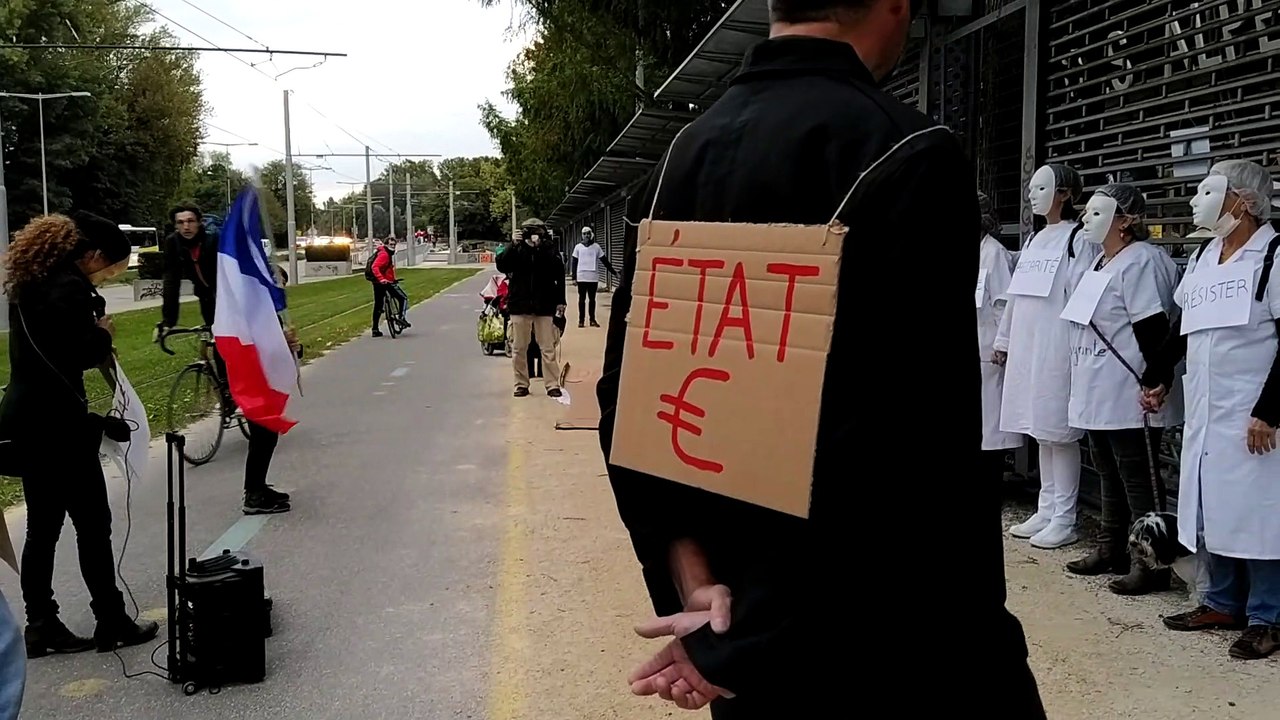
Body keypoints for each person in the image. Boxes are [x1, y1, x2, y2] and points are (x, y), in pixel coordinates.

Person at [596, 1, 1046, 716]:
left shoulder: (680, 159)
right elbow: (906, 438)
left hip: (737, 617)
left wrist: (696, 580)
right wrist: (756, 636)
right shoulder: (909, 153)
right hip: (896, 642)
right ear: (895, 6)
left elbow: (631, 400)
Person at [0, 212, 160, 656]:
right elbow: (79, 352)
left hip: (25, 418)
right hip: (58, 426)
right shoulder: (69, 289)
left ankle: (41, 623)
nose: (105, 277)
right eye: (107, 269)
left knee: (42, 528)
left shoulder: (30, 282)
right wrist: (103, 334)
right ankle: (111, 619)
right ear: (90, 254)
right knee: (93, 525)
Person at [1143, 160, 1280, 660]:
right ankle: (1222, 601)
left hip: (1255, 417)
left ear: (1242, 202)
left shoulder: (1275, 256)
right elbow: (1184, 326)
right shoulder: (1204, 256)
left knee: (1260, 515)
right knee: (1212, 509)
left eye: (1209, 191)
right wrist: (1157, 376)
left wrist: (1270, 410)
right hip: (1207, 412)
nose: (1196, 202)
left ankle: (1267, 616)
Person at [1061, 184, 1179, 595]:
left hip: (1129, 389)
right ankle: (1110, 544)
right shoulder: (1098, 262)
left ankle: (1150, 561)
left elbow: (1153, 329)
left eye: (1097, 213)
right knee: (1107, 469)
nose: (1085, 220)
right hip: (1096, 387)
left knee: (1137, 478)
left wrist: (1156, 380)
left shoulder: (1143, 261)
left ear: (1126, 220)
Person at [158, 203, 292, 515]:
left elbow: (243, 272)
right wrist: (168, 321)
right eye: (180, 222)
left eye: (191, 220)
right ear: (175, 225)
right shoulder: (173, 245)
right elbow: (171, 281)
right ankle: (255, 490)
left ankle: (237, 395)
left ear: (200, 222)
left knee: (244, 374)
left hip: (237, 307)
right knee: (249, 387)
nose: (186, 226)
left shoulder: (217, 242)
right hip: (216, 308)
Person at [994, 163, 1098, 550]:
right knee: (1039, 427)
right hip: (1029, 344)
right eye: (1031, 188)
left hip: (1057, 345)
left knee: (1059, 432)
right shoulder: (1036, 240)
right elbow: (1017, 298)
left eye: (1043, 188)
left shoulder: (1078, 240)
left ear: (1066, 194)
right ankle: (1046, 504)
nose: (1033, 195)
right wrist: (1005, 339)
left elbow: (1083, 297)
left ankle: (1064, 516)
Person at [976, 193, 1024, 486]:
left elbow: (1003, 303)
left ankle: (991, 480)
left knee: (991, 426)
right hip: (975, 347)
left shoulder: (993, 253)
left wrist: (1002, 343)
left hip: (989, 351)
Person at [496, 218, 566, 398]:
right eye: (528, 231)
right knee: (519, 348)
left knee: (548, 347)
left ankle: (552, 385)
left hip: (544, 305)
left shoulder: (548, 249)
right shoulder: (516, 249)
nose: (532, 235)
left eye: (536, 231)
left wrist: (561, 301)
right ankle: (521, 384)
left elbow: (559, 274)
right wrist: (514, 244)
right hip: (520, 305)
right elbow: (502, 264)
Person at [570, 226, 616, 328]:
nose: (586, 235)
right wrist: (574, 277)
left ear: (591, 235)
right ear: (582, 235)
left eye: (588, 233)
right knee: (582, 300)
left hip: (593, 277)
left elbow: (605, 261)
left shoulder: (596, 247)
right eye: (584, 233)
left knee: (592, 299)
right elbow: (574, 263)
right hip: (581, 277)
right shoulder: (578, 247)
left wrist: (614, 272)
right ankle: (581, 320)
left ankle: (592, 320)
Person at [370, 236, 411, 337]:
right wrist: (382, 279)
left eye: (394, 245)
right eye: (391, 245)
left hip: (377, 283)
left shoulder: (383, 252)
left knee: (378, 305)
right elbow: (375, 267)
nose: (393, 247)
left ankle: (375, 329)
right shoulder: (384, 254)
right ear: (386, 245)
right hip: (384, 282)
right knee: (403, 298)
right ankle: (401, 318)